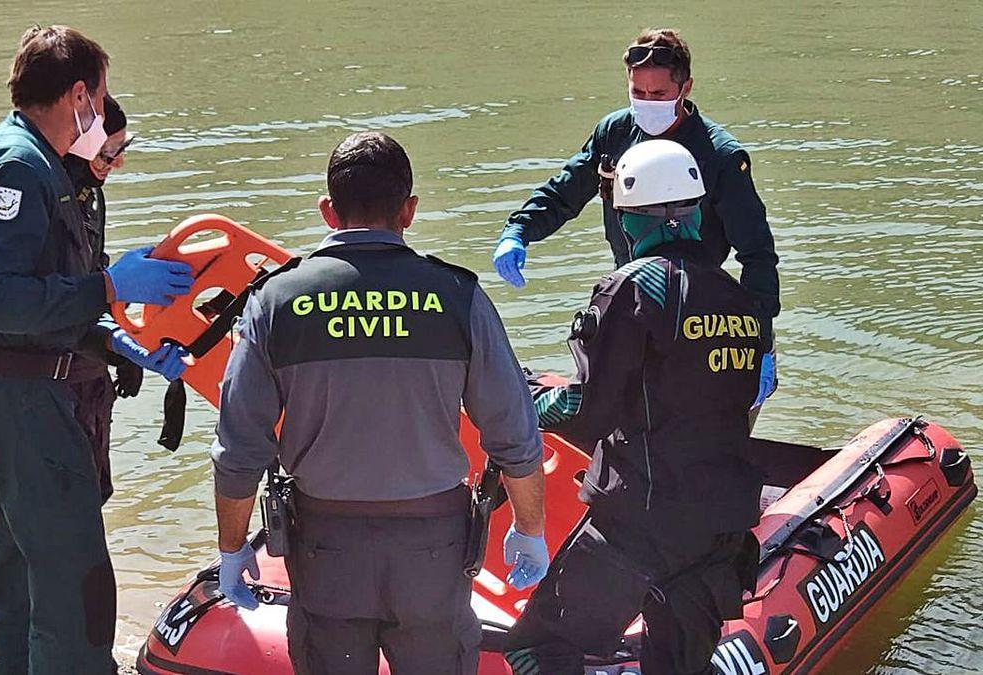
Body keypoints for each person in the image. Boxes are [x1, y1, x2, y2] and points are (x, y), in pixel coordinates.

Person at [210, 131, 549, 675]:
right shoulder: (457, 296)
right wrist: (529, 529)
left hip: (326, 550)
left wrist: (232, 550)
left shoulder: (275, 300)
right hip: (433, 552)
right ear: (409, 211)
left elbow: (239, 449)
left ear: (328, 211)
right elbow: (514, 434)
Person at [0, 26, 194, 674]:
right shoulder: (17, 166)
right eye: (101, 99)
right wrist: (109, 285)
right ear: (79, 94)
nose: (103, 115)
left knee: (25, 572)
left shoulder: (39, 166)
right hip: (20, 403)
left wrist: (117, 343)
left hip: (7, 393)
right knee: (76, 581)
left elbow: (33, 301)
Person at [503, 140, 765, 675]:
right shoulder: (740, 299)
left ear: (626, 217)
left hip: (641, 526)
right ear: (696, 210)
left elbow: (588, 407)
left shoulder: (637, 285)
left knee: (534, 650)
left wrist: (520, 411)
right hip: (720, 526)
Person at [493, 27, 779, 418]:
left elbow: (757, 253)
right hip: (633, 298)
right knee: (627, 417)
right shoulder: (615, 133)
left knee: (713, 425)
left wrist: (760, 341)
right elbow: (565, 192)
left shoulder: (722, 157)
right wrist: (519, 231)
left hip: (703, 309)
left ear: (686, 88)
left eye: (659, 95)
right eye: (638, 93)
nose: (647, 103)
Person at [63, 93, 144, 503]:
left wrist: (121, 346)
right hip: (61, 380)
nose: (117, 164)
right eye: (108, 155)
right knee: (70, 506)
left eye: (120, 152)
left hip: (89, 377)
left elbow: (93, 273)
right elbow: (57, 301)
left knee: (95, 493)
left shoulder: (88, 193)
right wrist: (110, 343)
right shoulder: (54, 195)